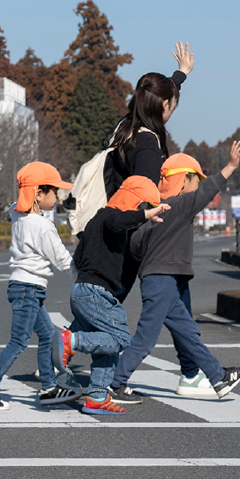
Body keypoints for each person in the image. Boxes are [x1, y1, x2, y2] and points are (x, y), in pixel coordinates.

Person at [109, 143, 240, 403]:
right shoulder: (182, 205)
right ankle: (114, 383)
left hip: (158, 281)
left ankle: (218, 378)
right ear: (184, 180)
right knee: (145, 339)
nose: (197, 186)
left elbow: (135, 246)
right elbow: (207, 192)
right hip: (164, 282)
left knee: (187, 332)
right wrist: (230, 166)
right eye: (195, 180)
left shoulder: (153, 212)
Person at [0, 162, 84, 410]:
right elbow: (63, 260)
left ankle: (49, 388)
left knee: (48, 335)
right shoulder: (42, 226)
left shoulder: (18, 214)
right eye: (54, 192)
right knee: (19, 341)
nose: (57, 197)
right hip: (28, 288)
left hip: (25, 287)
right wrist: (86, 277)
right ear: (37, 193)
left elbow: (17, 204)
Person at [55, 176, 170, 415]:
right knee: (120, 339)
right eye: (141, 206)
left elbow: (77, 258)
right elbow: (119, 220)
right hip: (96, 292)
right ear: (133, 202)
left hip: (83, 290)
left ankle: (97, 396)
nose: (140, 214)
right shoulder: (109, 216)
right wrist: (145, 216)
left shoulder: (95, 221)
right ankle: (71, 341)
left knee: (105, 345)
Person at [106, 41, 194, 300]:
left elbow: (158, 93)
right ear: (164, 105)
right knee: (111, 299)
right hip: (128, 231)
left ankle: (74, 337)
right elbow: (142, 192)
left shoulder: (127, 125)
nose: (174, 106)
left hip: (114, 222)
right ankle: (72, 340)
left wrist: (181, 75)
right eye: (172, 102)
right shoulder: (146, 143)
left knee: (109, 298)